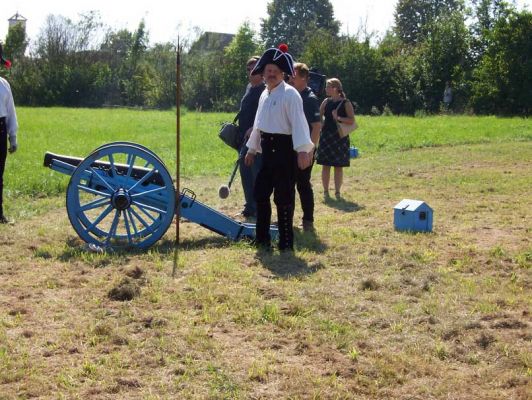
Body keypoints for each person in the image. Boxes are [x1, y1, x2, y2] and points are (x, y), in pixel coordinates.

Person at [244, 45, 314, 251]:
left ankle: (285, 243)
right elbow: (258, 124)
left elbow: (300, 123)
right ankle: (262, 239)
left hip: (285, 151)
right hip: (266, 151)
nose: (271, 73)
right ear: (263, 73)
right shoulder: (264, 95)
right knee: (260, 194)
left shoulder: (291, 94)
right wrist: (251, 149)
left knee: (283, 199)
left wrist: (303, 150)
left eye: (275, 70)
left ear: (282, 73)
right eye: (268, 70)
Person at [288, 63, 321, 232]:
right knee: (289, 184)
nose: (291, 78)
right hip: (291, 149)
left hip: (304, 150)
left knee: (303, 185)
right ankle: (288, 219)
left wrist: (310, 151)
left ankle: (308, 220)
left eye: (294, 76)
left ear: (304, 78)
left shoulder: (309, 98)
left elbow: (316, 126)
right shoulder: (292, 95)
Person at [235, 56, 265, 220]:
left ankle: (259, 208)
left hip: (257, 138)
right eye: (248, 69)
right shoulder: (249, 87)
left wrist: (253, 128)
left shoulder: (264, 90)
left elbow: (264, 115)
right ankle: (249, 206)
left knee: (255, 172)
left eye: (254, 69)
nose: (251, 73)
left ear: (261, 72)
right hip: (244, 138)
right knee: (245, 169)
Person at [315, 78, 355, 199]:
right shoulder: (326, 101)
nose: (326, 89)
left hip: (340, 137)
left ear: (335, 88)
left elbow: (352, 120)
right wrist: (321, 124)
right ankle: (326, 191)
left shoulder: (346, 103)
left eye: (328, 87)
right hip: (326, 137)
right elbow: (318, 115)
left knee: (338, 166)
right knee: (325, 165)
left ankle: (337, 192)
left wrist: (338, 118)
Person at [0, 43, 18, 224]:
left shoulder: (4, 85)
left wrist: (13, 138)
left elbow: (11, 112)